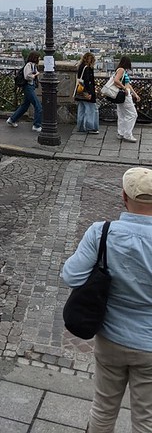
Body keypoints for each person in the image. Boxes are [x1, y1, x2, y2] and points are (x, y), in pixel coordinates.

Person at [61, 167, 152, 433]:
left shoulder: (101, 233)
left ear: (124, 196)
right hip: (149, 343)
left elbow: (71, 275)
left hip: (110, 337)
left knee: (103, 408)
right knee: (146, 418)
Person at [6, 51, 42, 132]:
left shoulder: (33, 65)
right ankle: (36, 125)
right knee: (38, 106)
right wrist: (35, 75)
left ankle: (12, 119)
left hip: (30, 87)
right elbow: (27, 76)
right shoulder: (29, 65)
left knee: (25, 105)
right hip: (28, 87)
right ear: (35, 58)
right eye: (38, 57)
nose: (39, 59)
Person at [113, 56, 140, 142]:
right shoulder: (122, 70)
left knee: (122, 114)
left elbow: (127, 83)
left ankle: (121, 133)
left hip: (120, 94)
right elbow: (116, 80)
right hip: (124, 94)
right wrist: (124, 88)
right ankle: (127, 134)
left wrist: (135, 94)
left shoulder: (120, 70)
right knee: (133, 114)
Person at [76, 52, 99, 133]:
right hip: (87, 92)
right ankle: (90, 127)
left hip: (80, 91)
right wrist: (89, 93)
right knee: (91, 109)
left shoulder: (81, 67)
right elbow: (88, 81)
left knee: (81, 109)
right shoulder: (87, 68)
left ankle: (81, 127)